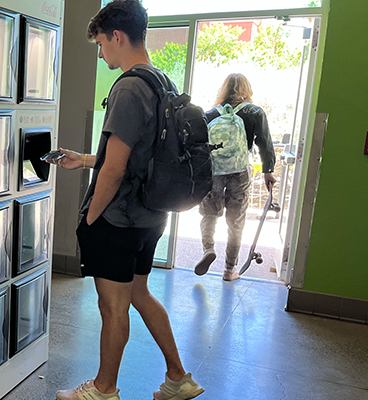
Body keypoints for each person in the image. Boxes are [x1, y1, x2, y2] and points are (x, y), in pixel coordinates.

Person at [47, 1, 204, 399]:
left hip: (119, 218)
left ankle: (103, 389)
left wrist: (90, 217)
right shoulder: (161, 81)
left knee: (112, 306)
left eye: (101, 44)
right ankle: (178, 378)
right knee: (138, 292)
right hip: (152, 214)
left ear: (117, 36)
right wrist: (83, 159)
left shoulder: (129, 87)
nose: (101, 55)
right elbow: (138, 155)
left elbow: (115, 169)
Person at [193, 73, 276, 281]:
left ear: (224, 89)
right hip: (239, 171)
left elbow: (200, 145)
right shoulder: (255, 112)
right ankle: (230, 270)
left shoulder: (211, 114)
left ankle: (208, 249)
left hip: (214, 170)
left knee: (209, 214)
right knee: (236, 220)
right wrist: (268, 171)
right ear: (247, 90)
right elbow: (265, 143)